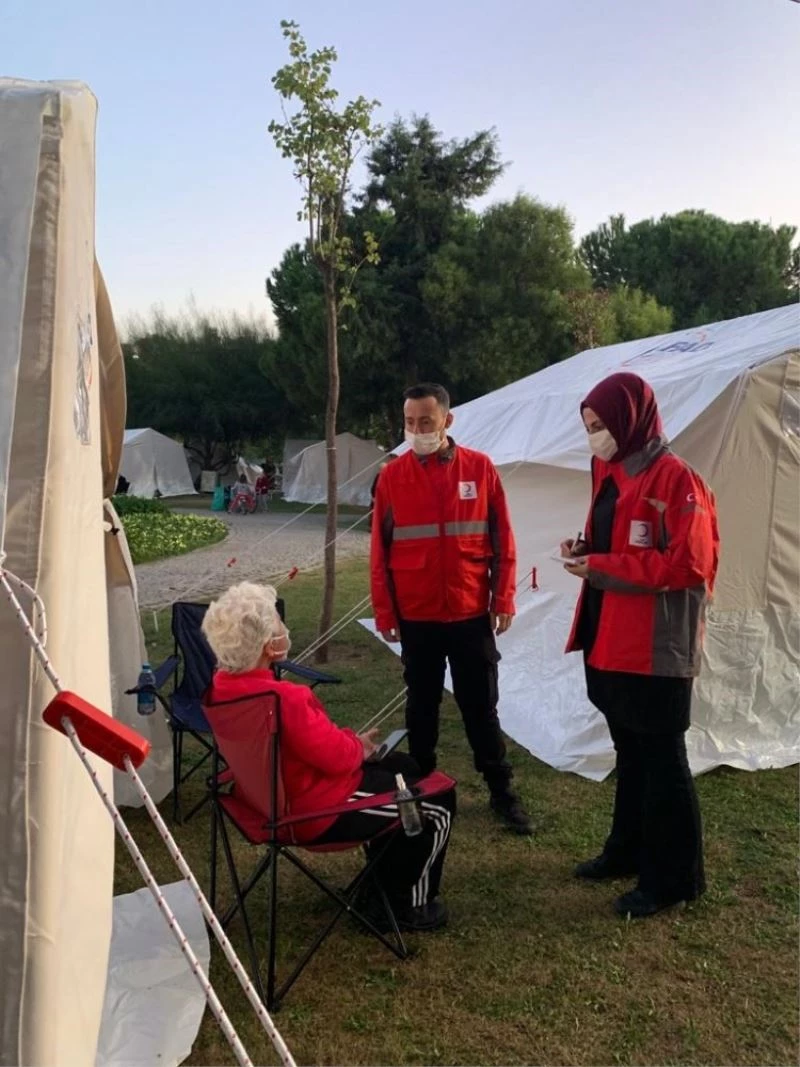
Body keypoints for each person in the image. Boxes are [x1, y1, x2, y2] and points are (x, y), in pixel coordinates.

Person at [201, 581, 456, 932]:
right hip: (314, 812)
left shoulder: (220, 689)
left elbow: (314, 747)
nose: (285, 629)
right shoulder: (285, 699)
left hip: (266, 798)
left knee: (405, 767)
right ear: (268, 646)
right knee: (436, 801)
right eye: (278, 623)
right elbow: (337, 759)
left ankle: (381, 884)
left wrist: (353, 746)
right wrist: (357, 746)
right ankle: (409, 905)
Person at [560, 372, 719, 918]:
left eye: (600, 425)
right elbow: (614, 537)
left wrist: (601, 565)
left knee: (662, 761)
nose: (594, 436)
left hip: (656, 647)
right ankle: (625, 850)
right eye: (589, 426)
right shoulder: (608, 470)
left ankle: (673, 880)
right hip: (609, 637)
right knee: (630, 754)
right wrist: (584, 548)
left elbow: (688, 564)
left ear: (630, 419)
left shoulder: (678, 479)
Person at [370, 382, 532, 835]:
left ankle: (501, 791)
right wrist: (385, 612)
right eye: (410, 422)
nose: (417, 430)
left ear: (447, 420)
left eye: (426, 421)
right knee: (421, 707)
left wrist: (503, 597)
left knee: (481, 707)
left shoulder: (480, 469)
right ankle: (422, 786)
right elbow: (379, 553)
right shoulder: (392, 477)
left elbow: (503, 539)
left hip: (468, 613)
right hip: (417, 616)